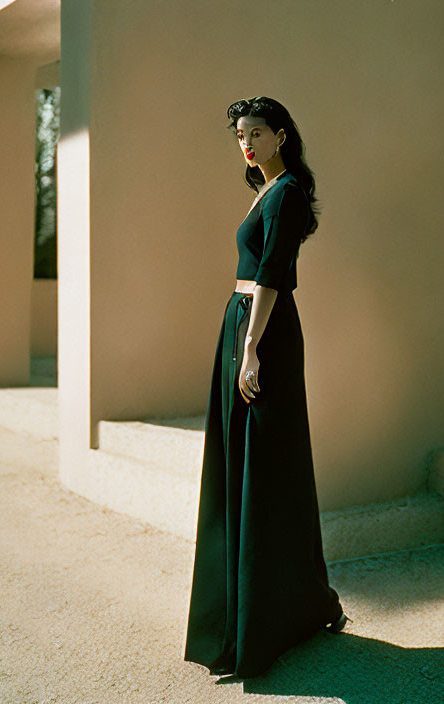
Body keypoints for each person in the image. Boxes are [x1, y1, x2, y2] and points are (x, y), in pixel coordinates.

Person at [183, 96, 350, 680]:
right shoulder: (265, 191)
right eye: (239, 135)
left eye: (256, 132)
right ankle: (269, 611)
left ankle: (270, 622)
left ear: (280, 136)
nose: (246, 143)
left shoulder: (288, 193)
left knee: (267, 468)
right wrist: (241, 337)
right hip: (243, 322)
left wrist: (251, 347)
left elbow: (273, 277)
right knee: (246, 466)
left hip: (264, 329)